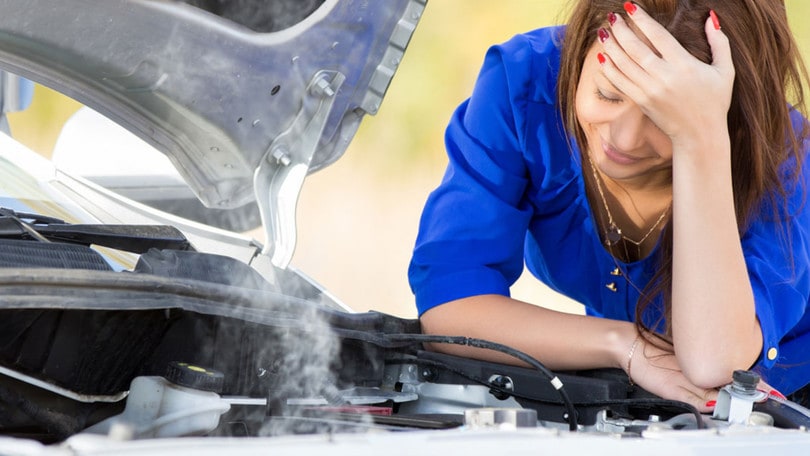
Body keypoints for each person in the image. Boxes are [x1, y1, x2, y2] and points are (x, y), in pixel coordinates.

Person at [408, 0, 810, 412]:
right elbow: (449, 304)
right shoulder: (526, 83)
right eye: (607, 94)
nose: (624, 140)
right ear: (581, 49)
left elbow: (716, 361)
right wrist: (626, 344)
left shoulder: (780, 153)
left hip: (787, 403)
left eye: (661, 118)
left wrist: (701, 140)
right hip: (643, 392)